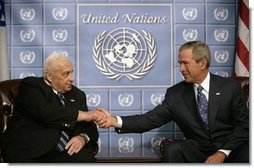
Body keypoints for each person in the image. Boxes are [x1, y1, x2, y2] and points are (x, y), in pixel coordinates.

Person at [96, 41, 249, 163]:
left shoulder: (230, 88)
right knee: (174, 149)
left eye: (185, 63)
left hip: (230, 150)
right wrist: (113, 121)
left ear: (202, 64)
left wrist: (222, 153)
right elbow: (148, 120)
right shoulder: (176, 94)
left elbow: (243, 126)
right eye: (179, 63)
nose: (181, 68)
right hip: (199, 151)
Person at [1, 53, 103, 163]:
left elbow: (90, 127)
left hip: (64, 153)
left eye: (72, 72)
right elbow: (46, 112)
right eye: (66, 74)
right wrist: (85, 115)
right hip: (31, 152)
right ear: (49, 76)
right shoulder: (31, 85)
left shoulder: (77, 94)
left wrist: (82, 138)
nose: (72, 79)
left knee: (85, 157)